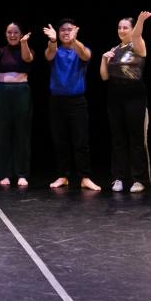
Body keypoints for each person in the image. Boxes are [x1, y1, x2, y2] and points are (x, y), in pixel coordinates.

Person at [99, 11, 151, 193]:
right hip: (115, 95)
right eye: (120, 27)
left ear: (132, 29)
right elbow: (105, 77)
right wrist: (103, 59)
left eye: (125, 27)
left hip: (135, 95)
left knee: (136, 138)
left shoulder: (138, 45)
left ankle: (139, 179)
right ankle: (119, 178)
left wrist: (139, 21)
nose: (122, 30)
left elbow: (137, 34)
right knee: (118, 139)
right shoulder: (114, 50)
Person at [44, 19, 101, 191]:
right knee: (60, 140)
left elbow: (85, 55)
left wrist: (75, 40)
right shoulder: (55, 49)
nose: (66, 32)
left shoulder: (81, 49)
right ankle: (63, 176)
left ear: (76, 31)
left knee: (80, 141)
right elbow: (49, 54)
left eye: (70, 29)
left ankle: (85, 177)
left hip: (77, 102)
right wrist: (53, 40)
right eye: (63, 30)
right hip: (57, 101)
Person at [0, 22, 33, 186]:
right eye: (9, 32)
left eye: (16, 32)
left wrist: (24, 43)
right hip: (1, 92)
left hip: (22, 92)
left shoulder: (27, 48)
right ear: (5, 34)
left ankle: (22, 173)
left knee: (22, 134)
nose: (12, 35)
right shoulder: (0, 51)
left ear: (21, 34)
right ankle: (3, 173)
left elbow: (27, 58)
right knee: (2, 134)